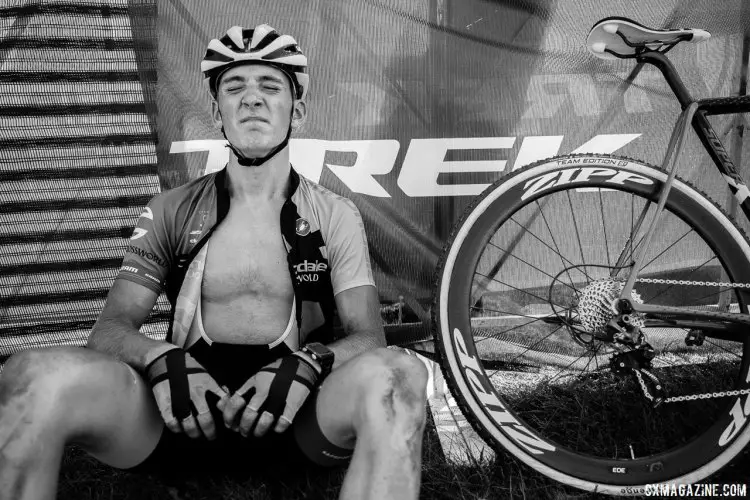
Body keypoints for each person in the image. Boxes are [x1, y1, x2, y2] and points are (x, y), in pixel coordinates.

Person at [0, 24, 428, 500]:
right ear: (215, 110)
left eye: (269, 86)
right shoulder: (169, 208)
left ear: (298, 111)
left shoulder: (336, 213)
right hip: (178, 417)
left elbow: (369, 337)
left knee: (401, 375)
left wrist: (310, 362)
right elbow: (109, 332)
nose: (251, 99)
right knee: (29, 375)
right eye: (234, 87)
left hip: (296, 417)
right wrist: (161, 359)